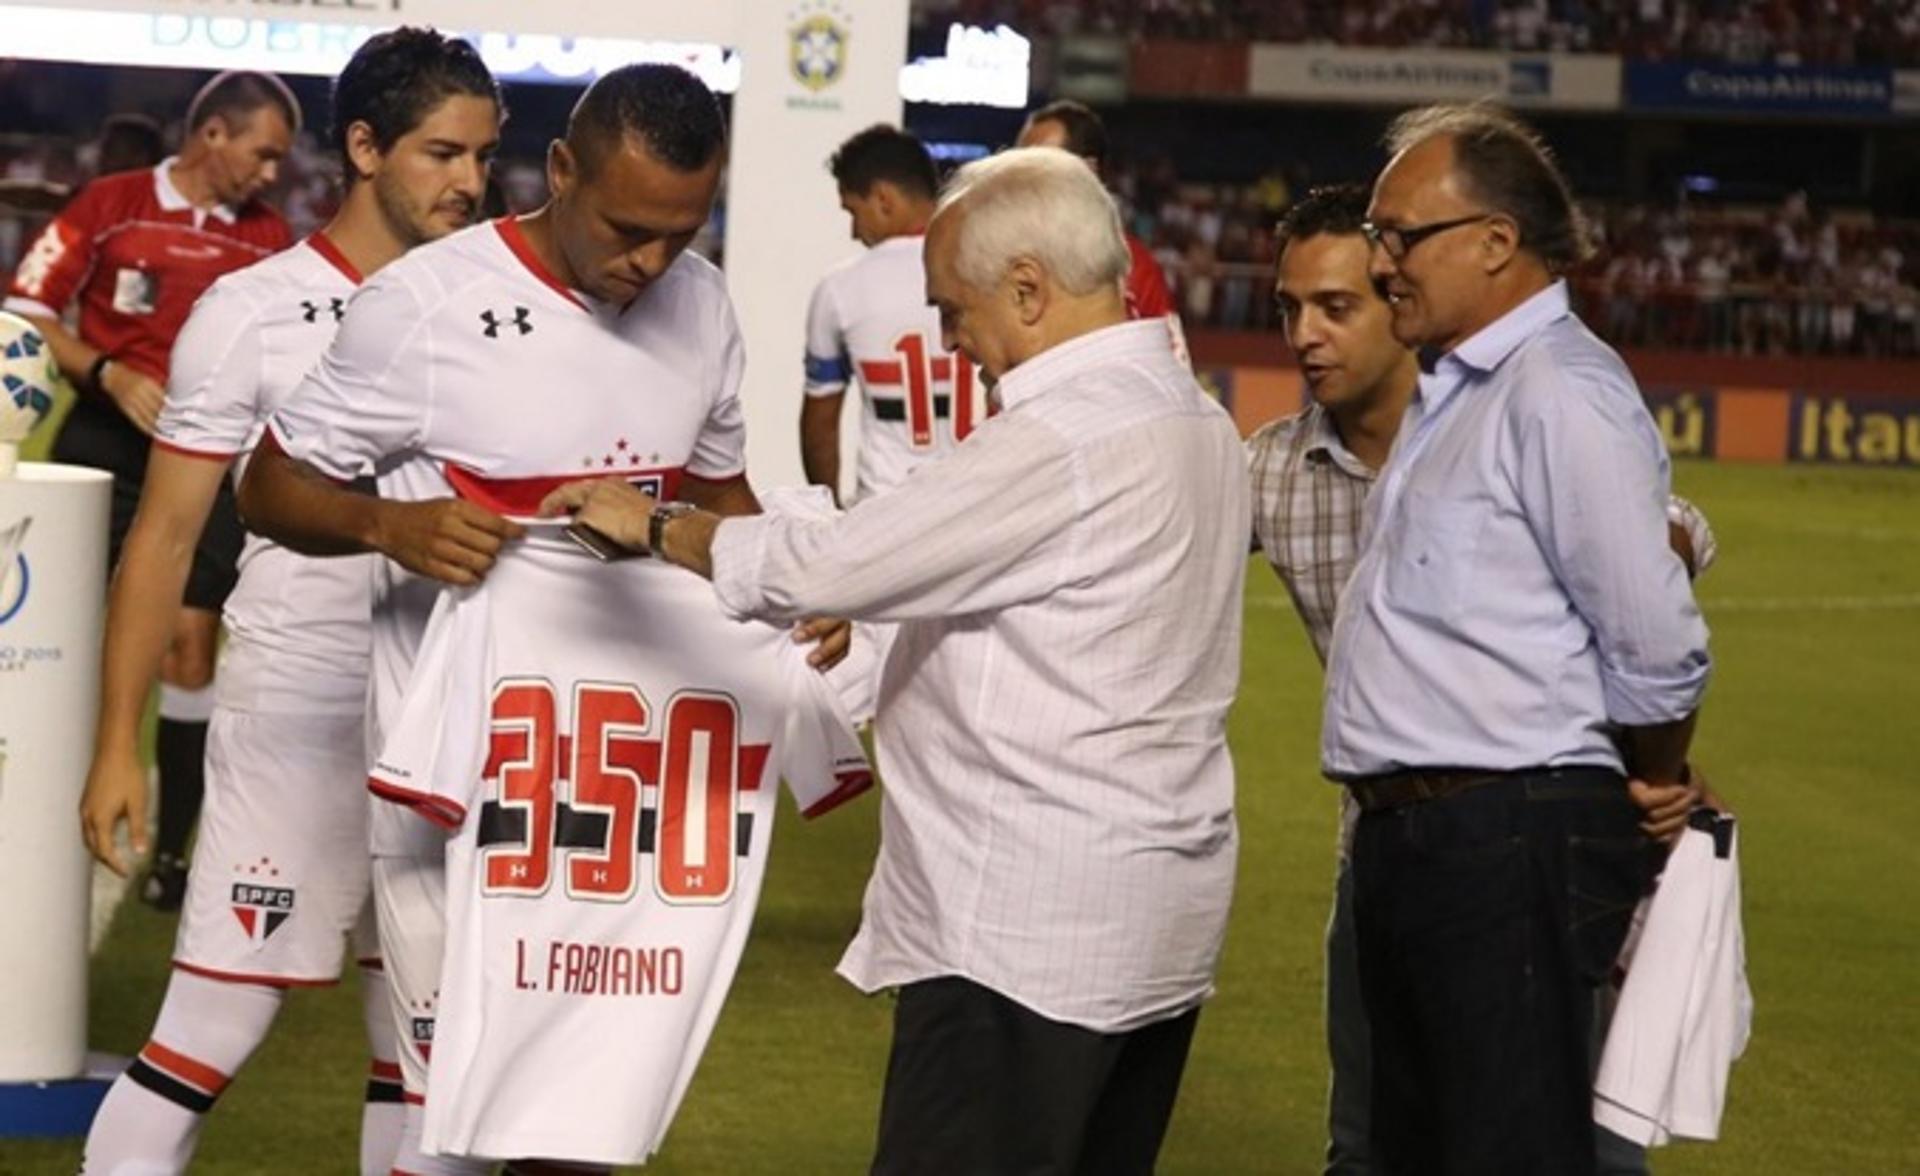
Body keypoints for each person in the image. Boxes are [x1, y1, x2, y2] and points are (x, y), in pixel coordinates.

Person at [541, 146, 1249, 1176]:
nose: (952, 346)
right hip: (1153, 923)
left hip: (1022, 935)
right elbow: (1042, 605)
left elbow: (825, 560)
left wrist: (656, 527)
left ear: (1028, 289)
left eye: (955, 313)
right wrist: (875, 625)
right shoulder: (1199, 418)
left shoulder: (1063, 437)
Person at [237, 63, 841, 1174]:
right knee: (451, 1117)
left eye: (680, 231)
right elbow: (265, 489)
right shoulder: (421, 308)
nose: (649, 262)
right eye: (625, 229)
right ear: (561, 170)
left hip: (623, 803)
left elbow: (718, 500)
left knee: (579, 1124)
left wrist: (790, 587)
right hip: (453, 792)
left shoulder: (698, 304)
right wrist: (389, 528)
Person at [70, 31, 502, 1176]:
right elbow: (162, 541)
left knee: (422, 1047)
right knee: (211, 1030)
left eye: (481, 156)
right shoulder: (252, 311)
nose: (468, 180)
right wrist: (122, 747)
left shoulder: (500, 308)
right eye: (440, 153)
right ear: (363, 148)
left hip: (445, 715)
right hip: (294, 712)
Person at [1249, 183, 1718, 1176]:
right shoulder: (1271, 474)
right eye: (1287, 308)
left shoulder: (1498, 414)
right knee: (1372, 1145)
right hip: (1378, 845)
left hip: (1522, 838)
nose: (1304, 335)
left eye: (1336, 306)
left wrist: (1649, 758)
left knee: (1570, 1139)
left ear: (1398, 298)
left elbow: (1661, 557)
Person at [5, 71, 298, 909]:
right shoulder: (111, 204)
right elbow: (27, 311)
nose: (273, 173)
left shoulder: (270, 239)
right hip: (104, 438)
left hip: (207, 460)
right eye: (265, 153)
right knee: (55, 632)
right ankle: (34, 795)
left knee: (190, 646)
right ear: (215, 136)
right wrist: (106, 370)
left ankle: (169, 855)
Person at [802, 124, 985, 506]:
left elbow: (820, 422)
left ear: (884, 199)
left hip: (882, 512)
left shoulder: (841, 287)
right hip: (978, 506)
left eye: (853, 211)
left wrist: (831, 511)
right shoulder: (988, 267)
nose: (854, 231)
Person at [1016, 99, 1187, 361]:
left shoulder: (1135, 270)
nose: (1019, 179)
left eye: (1039, 165)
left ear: (1087, 171)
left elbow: (1175, 375)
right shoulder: (998, 263)